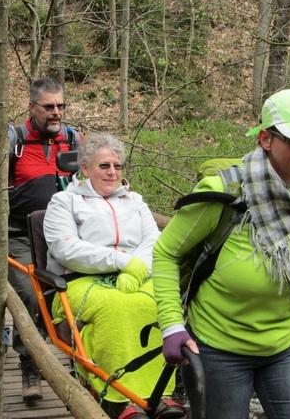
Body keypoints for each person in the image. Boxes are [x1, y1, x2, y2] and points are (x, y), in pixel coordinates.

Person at [153, 89, 290, 419]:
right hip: (217, 347)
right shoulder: (224, 192)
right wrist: (171, 325)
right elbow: (166, 253)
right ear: (266, 139)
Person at [43, 133, 182, 419]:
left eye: (118, 166)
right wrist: (122, 262)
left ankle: (160, 392)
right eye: (104, 165)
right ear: (84, 169)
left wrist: (134, 270)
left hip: (137, 277)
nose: (112, 172)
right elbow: (66, 248)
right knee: (116, 307)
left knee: (160, 304)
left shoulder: (134, 201)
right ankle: (118, 396)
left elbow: (154, 241)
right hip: (82, 280)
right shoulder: (64, 202)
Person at [0, 77, 82, 403]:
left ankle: (80, 365)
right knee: (27, 294)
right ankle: (30, 363)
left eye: (60, 106)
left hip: (63, 234)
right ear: (33, 107)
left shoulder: (73, 139)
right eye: (49, 107)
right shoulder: (14, 141)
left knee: (75, 296)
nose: (56, 113)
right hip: (19, 231)